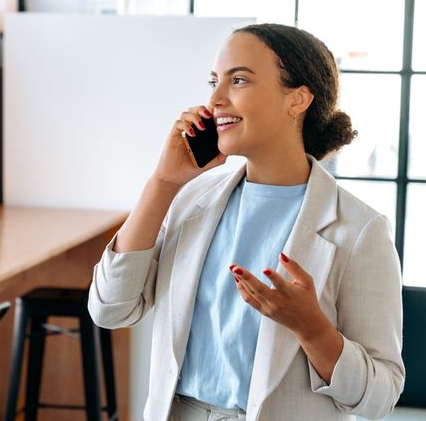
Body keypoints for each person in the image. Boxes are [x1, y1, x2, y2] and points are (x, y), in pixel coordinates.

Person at [87, 23, 404, 421]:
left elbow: (380, 397)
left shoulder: (358, 230)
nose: (215, 99)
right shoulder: (190, 201)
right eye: (213, 81)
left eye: (238, 80)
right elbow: (110, 310)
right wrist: (163, 183)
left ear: (298, 99)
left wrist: (313, 330)